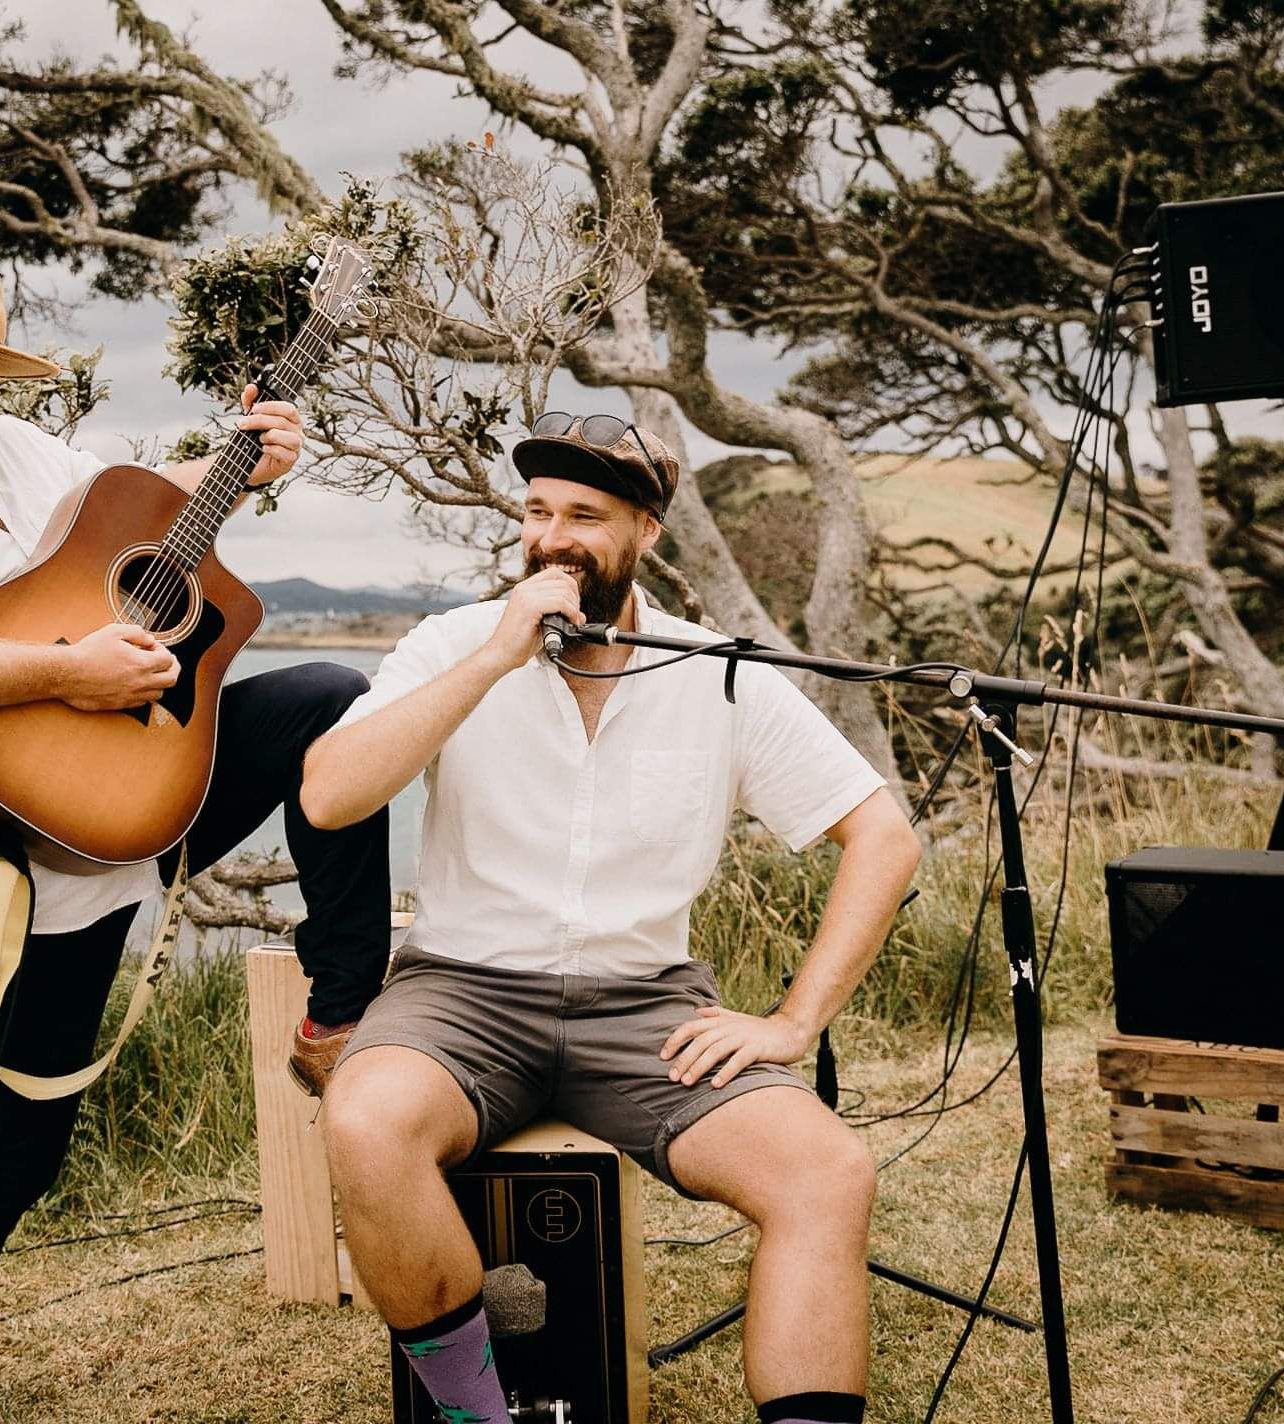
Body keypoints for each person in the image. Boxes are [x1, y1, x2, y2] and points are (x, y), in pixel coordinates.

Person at [0, 243, 390, 1424]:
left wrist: (238, 460)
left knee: (327, 702)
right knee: (20, 1149)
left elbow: (136, 496)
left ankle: (337, 1012)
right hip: (27, 853)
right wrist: (66, 669)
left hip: (152, 795)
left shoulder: (18, 452)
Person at [299, 415, 921, 1424]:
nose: (553, 537)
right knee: (366, 1121)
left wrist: (793, 1020)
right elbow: (330, 794)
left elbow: (884, 837)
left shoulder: (717, 672)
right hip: (463, 991)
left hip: (646, 1009)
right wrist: (492, 659)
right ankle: (477, 1414)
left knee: (827, 1170)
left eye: (586, 516)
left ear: (647, 534)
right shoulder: (455, 643)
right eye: (538, 512)